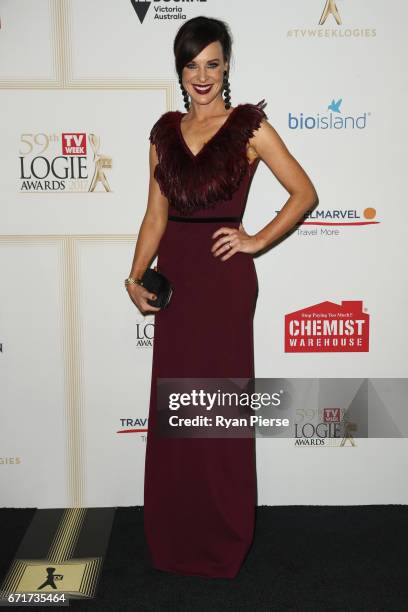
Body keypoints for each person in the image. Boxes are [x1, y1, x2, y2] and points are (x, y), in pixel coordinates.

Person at [125, 16, 318, 579]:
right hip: (177, 285)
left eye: (212, 63)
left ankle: (223, 536)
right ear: (180, 70)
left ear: (227, 64)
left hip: (224, 284)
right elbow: (155, 213)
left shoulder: (248, 127)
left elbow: (304, 192)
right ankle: (175, 531)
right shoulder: (164, 132)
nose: (202, 76)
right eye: (191, 65)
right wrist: (135, 277)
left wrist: (254, 240)